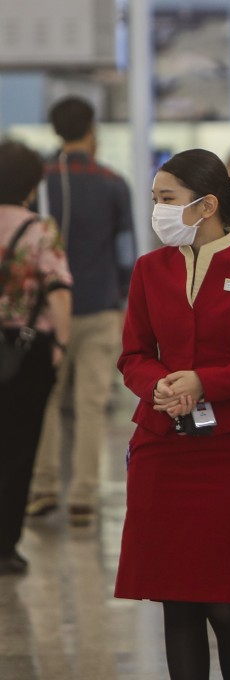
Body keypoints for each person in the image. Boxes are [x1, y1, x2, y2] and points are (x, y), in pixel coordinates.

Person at [114, 149, 230, 679]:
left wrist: (205, 382)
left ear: (206, 204)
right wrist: (158, 386)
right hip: (161, 449)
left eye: (167, 200)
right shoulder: (151, 269)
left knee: (227, 603)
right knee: (178, 603)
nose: (158, 211)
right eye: (154, 200)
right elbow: (133, 354)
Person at [26, 96, 136, 527]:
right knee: (91, 404)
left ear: (55, 131)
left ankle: (44, 486)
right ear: (92, 129)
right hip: (99, 307)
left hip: (49, 310)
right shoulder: (113, 182)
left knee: (47, 400)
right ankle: (84, 497)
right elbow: (125, 248)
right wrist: (122, 295)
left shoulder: (41, 182)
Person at [0, 140, 72, 575]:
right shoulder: (39, 230)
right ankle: (5, 546)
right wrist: (60, 344)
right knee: (19, 448)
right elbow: (58, 289)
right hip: (25, 350)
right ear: (32, 185)